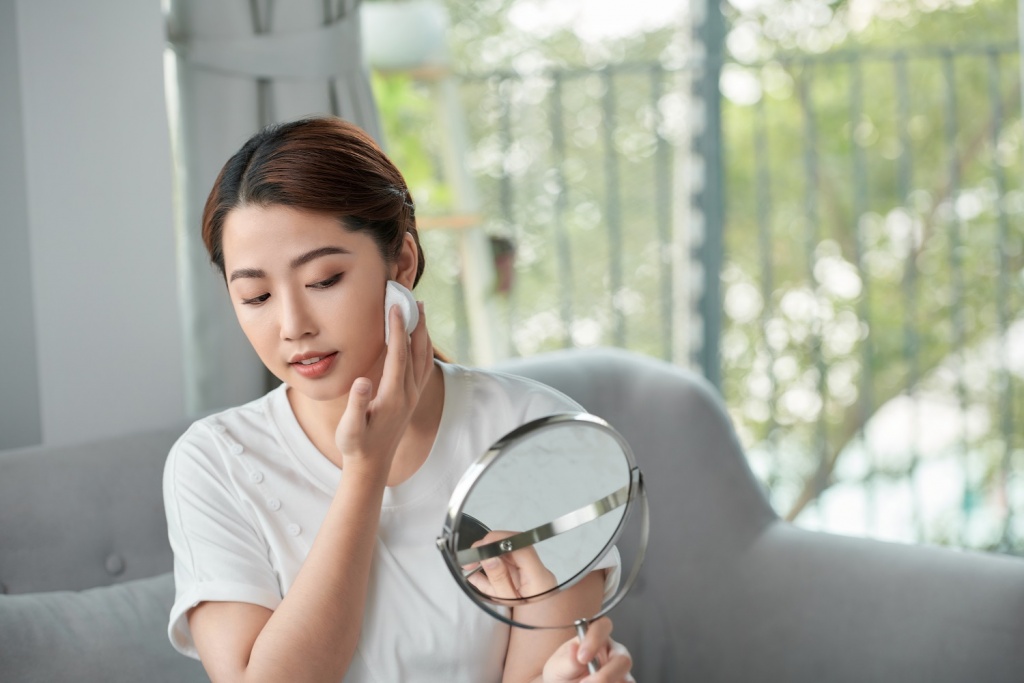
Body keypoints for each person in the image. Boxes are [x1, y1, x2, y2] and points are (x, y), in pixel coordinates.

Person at [163, 115, 635, 683]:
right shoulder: (214, 462)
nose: (292, 325)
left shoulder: (538, 435)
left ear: (402, 264)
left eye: (323, 280)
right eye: (256, 295)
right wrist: (367, 468)